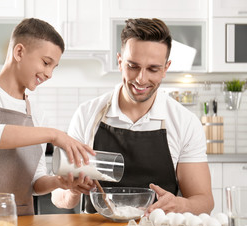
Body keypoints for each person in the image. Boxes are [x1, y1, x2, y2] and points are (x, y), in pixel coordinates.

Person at [51, 18, 214, 215]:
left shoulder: (185, 123)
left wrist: (181, 205)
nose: (141, 79)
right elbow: (58, 197)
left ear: (165, 68)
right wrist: (72, 192)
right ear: (120, 62)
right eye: (133, 66)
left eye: (153, 69)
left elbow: (204, 201)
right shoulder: (87, 114)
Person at [0, 18, 94, 226]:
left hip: (19, 221)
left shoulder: (38, 115)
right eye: (46, 62)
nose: (50, 74)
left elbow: (36, 182)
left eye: (54, 67)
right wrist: (54, 134)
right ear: (19, 52)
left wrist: (58, 182)